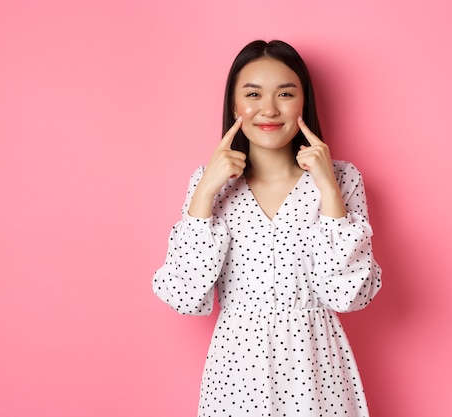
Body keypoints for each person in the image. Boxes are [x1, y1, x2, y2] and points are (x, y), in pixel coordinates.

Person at [153, 39, 382, 417]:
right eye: (253, 94)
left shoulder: (343, 179)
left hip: (316, 371)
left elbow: (347, 295)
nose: (269, 109)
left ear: (304, 102)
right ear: (234, 105)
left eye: (286, 94)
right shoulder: (208, 185)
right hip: (236, 374)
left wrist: (328, 190)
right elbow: (184, 294)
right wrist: (207, 191)